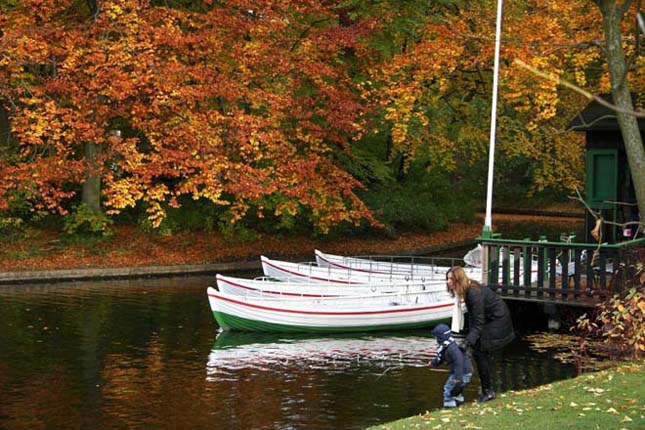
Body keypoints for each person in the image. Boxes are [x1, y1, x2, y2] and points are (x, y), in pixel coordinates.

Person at [445, 266, 515, 403]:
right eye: (447, 279)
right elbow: (473, 318)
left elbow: (478, 322)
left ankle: (488, 392)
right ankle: (487, 390)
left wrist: (466, 343)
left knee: (480, 352)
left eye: (450, 279)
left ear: (458, 280)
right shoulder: (467, 289)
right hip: (491, 320)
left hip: (498, 321)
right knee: (479, 350)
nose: (448, 282)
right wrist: (470, 338)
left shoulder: (473, 293)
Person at [429, 323, 473, 409]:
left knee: (448, 389)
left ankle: (449, 407)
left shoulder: (452, 349)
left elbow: (459, 363)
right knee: (455, 390)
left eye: (436, 337)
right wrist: (433, 363)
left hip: (462, 373)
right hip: (465, 372)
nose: (435, 339)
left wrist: (458, 379)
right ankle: (459, 402)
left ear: (440, 337)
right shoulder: (447, 345)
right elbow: (440, 358)